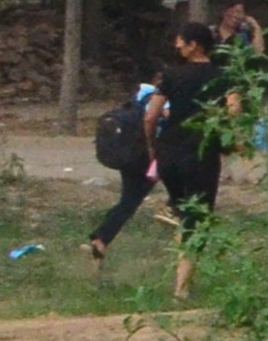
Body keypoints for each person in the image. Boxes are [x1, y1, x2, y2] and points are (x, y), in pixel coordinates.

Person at [86, 25, 229, 287]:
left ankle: (106, 237)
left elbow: (151, 116)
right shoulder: (222, 77)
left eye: (181, 42)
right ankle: (181, 287)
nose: (178, 46)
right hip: (202, 153)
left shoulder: (170, 77)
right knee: (196, 218)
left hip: (168, 154)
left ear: (193, 45)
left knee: (153, 203)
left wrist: (153, 147)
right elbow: (234, 112)